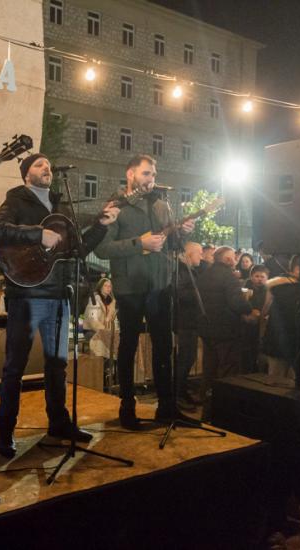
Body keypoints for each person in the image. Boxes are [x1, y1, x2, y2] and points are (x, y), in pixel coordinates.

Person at [0, 153, 119, 457]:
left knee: (57, 366)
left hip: (58, 294)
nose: (45, 168)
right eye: (38, 164)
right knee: (14, 368)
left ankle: (59, 423)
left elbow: (78, 250)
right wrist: (37, 234)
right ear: (26, 175)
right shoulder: (16, 200)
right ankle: (4, 431)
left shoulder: (60, 207)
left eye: (47, 164)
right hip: (26, 295)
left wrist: (100, 225)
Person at [93, 154, 195, 430]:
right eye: (146, 173)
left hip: (160, 286)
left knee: (164, 347)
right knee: (128, 346)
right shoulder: (116, 207)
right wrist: (141, 243)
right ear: (130, 174)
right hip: (130, 287)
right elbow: (102, 249)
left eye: (153, 174)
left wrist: (182, 233)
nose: (152, 179)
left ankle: (167, 407)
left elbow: (171, 244)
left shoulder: (161, 206)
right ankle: (127, 408)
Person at [196, 246, 253, 421]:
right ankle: (224, 413)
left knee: (209, 370)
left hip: (207, 329)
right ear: (228, 260)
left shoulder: (204, 274)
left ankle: (207, 411)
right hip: (227, 330)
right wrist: (250, 307)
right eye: (233, 258)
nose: (235, 261)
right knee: (227, 371)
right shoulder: (229, 276)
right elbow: (236, 303)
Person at [261, 255, 300, 386]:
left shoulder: (276, 286)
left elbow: (265, 311)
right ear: (298, 269)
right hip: (294, 343)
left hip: (276, 342)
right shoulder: (298, 290)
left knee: (276, 381)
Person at [174, 241, 204, 411]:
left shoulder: (188, 270)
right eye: (199, 252)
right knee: (185, 358)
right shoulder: (181, 270)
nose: (201, 255)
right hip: (185, 321)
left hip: (190, 320)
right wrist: (199, 292)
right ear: (188, 253)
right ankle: (177, 395)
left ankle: (181, 391)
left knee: (188, 357)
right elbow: (178, 293)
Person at [240, 264, 269, 373]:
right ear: (251, 277)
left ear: (267, 278)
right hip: (247, 326)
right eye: (257, 276)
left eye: (262, 277)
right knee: (247, 351)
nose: (259, 279)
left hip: (262, 325)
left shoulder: (269, 290)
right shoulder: (244, 289)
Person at [83, 277, 118, 365]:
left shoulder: (111, 302)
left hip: (106, 331)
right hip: (91, 330)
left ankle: (111, 368)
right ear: (100, 287)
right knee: (106, 341)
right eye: (105, 286)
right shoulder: (94, 300)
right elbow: (92, 321)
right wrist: (104, 330)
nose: (108, 288)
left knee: (116, 340)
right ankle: (103, 368)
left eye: (110, 286)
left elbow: (114, 319)